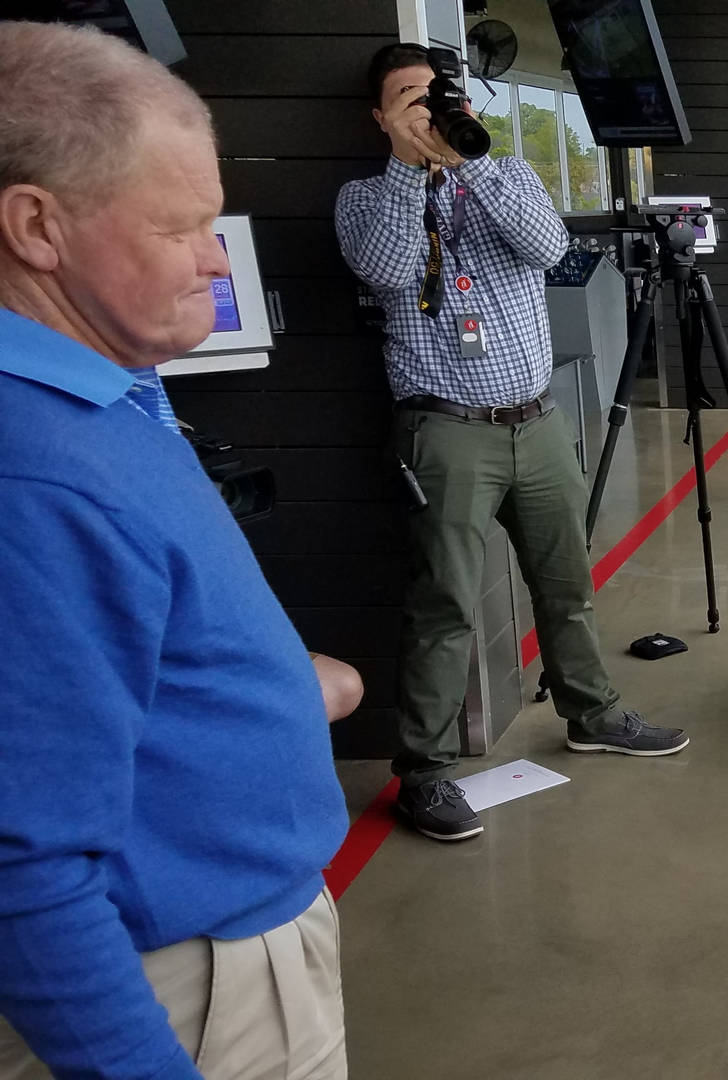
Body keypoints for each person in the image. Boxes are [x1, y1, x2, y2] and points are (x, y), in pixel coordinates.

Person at [0, 21, 350, 1077]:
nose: (214, 256)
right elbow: (26, 867)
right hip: (188, 985)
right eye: (181, 226)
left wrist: (282, 691)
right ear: (36, 226)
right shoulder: (35, 476)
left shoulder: (101, 384)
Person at [335, 43, 688, 844]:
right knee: (445, 604)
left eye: (438, 95)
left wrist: (465, 161)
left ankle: (591, 712)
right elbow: (386, 271)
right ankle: (422, 773)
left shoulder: (505, 177)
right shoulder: (363, 196)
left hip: (537, 420)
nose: (428, 109)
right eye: (408, 99)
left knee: (566, 582)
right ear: (379, 116)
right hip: (445, 429)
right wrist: (407, 166)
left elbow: (543, 246)